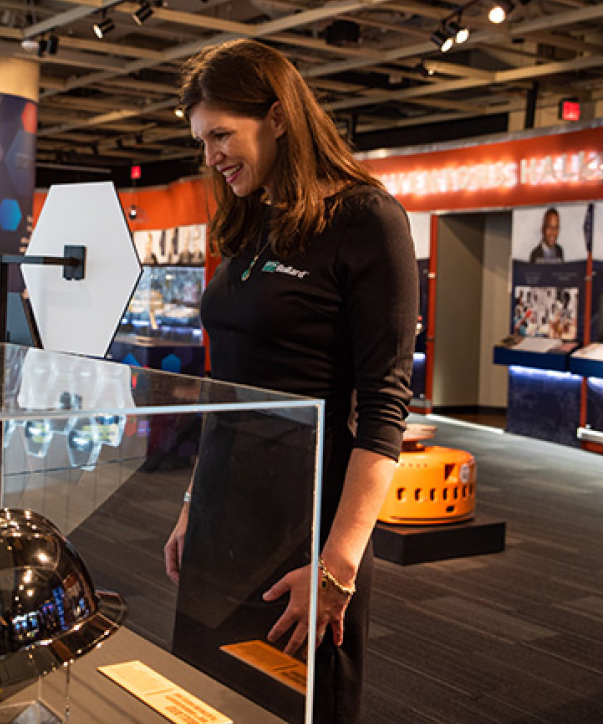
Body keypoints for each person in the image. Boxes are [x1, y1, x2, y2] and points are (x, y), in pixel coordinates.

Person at [162, 39, 417, 723]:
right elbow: (229, 385)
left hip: (302, 528)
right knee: (205, 700)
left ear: (277, 117)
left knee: (288, 702)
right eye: (202, 139)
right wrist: (193, 502)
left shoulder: (368, 220)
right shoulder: (251, 221)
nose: (211, 155)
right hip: (220, 511)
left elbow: (385, 409)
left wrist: (337, 569)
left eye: (222, 134)